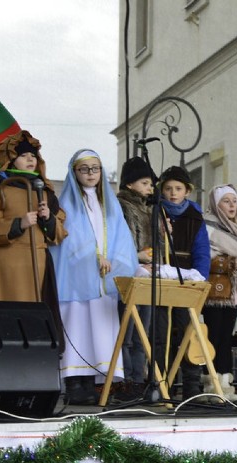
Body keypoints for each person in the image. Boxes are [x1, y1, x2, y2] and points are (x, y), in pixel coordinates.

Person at [50, 149, 138, 404]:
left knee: (101, 332)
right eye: (84, 169)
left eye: (95, 168)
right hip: (76, 282)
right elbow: (68, 239)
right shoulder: (65, 204)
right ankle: (75, 384)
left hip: (104, 281)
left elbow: (123, 239)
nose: (90, 174)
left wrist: (119, 262)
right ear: (74, 173)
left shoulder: (108, 205)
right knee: (77, 330)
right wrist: (92, 256)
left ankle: (95, 385)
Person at [0, 131, 67, 303]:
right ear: (11, 159)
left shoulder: (46, 192)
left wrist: (48, 219)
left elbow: (59, 234)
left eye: (33, 155)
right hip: (5, 268)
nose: (30, 159)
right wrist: (18, 223)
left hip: (37, 267)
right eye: (23, 155)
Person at [154, 166, 211, 400]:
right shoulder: (155, 213)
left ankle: (191, 385)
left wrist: (199, 279)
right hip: (161, 282)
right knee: (161, 332)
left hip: (186, 281)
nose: (173, 193)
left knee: (188, 333)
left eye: (178, 188)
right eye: (168, 189)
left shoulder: (194, 218)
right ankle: (161, 382)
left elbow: (202, 250)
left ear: (187, 191)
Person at [202, 184, 237, 400]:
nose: (232, 205)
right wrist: (229, 261)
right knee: (213, 338)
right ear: (216, 205)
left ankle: (225, 384)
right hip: (214, 293)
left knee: (226, 339)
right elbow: (204, 258)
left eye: (234, 201)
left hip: (232, 293)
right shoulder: (208, 228)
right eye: (226, 201)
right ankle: (211, 384)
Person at [116, 156, 158, 394]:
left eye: (150, 184)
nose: (150, 188)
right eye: (144, 183)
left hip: (146, 275)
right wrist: (137, 256)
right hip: (130, 275)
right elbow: (121, 244)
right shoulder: (122, 206)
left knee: (143, 331)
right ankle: (127, 381)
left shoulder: (148, 208)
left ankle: (139, 380)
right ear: (130, 184)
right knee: (128, 332)